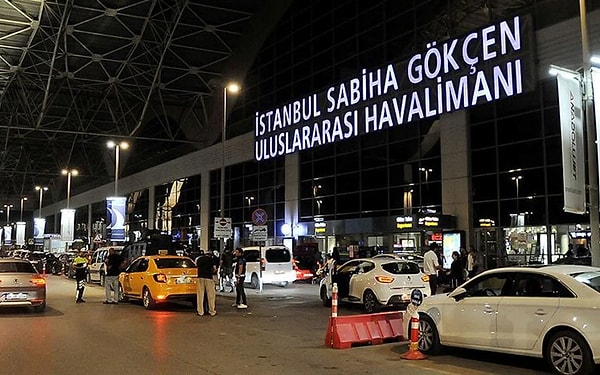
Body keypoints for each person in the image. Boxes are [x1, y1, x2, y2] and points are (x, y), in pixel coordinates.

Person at [195, 251, 217, 316]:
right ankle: (212, 311)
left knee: (200, 295)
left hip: (200, 277)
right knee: (211, 295)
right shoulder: (211, 259)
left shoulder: (198, 259)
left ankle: (200, 311)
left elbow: (196, 266)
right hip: (209, 278)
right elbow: (215, 269)